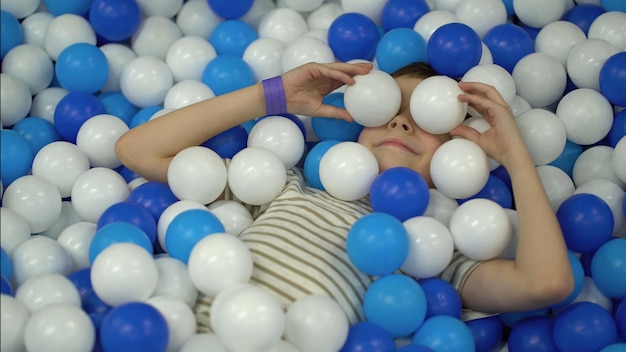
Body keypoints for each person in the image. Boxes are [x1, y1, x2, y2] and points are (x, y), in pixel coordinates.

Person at [115, 61, 574, 332]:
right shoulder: (282, 185)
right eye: (386, 109)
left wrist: (515, 157)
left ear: (459, 155)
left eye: (426, 118)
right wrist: (271, 96)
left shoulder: (432, 254)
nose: (400, 123)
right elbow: (136, 149)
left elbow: (544, 283)